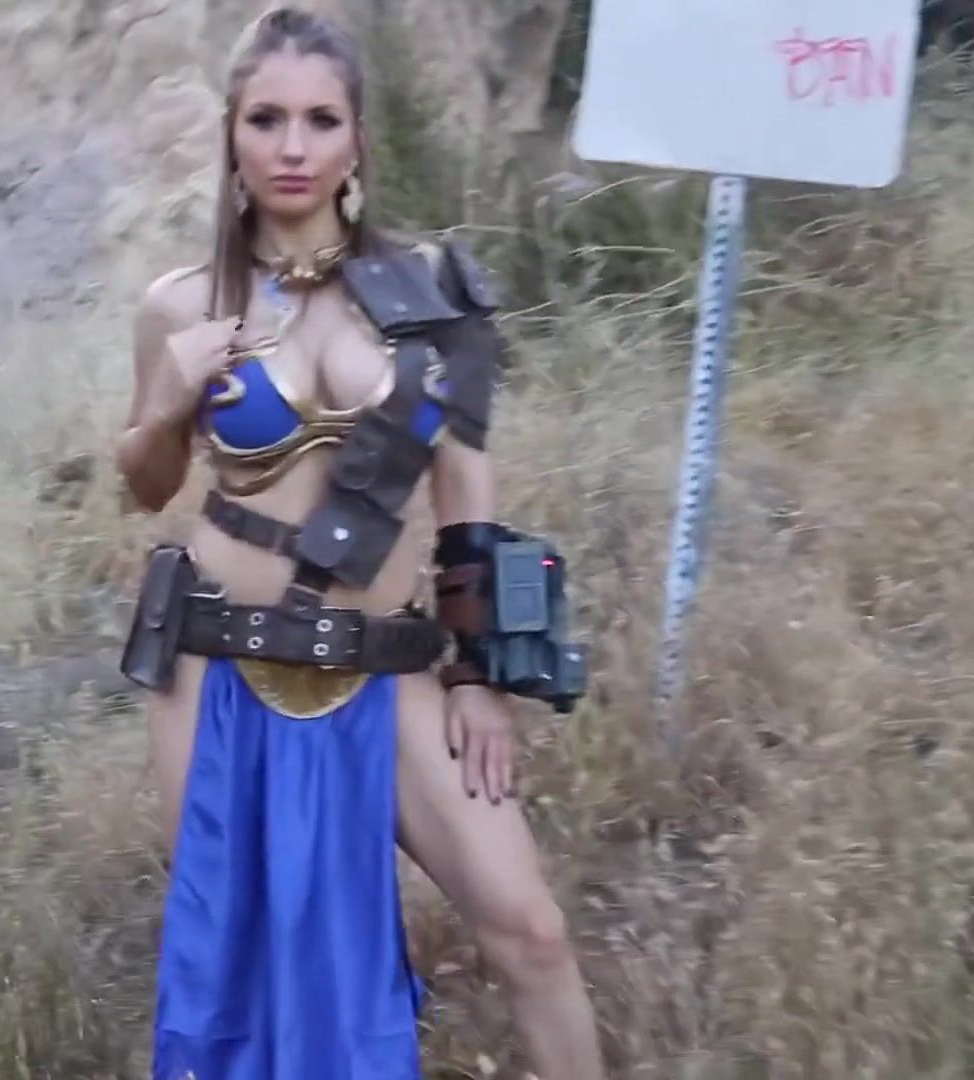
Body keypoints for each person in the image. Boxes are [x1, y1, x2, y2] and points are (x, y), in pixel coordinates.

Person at [111, 7, 606, 1078]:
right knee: (241, 971)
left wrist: (478, 675)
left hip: (384, 665)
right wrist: (167, 400)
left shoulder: (429, 295)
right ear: (232, 135)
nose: (292, 147)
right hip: (218, 665)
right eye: (266, 119)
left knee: (530, 931)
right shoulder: (179, 304)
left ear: (358, 139)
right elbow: (147, 486)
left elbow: (465, 489)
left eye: (320, 120)